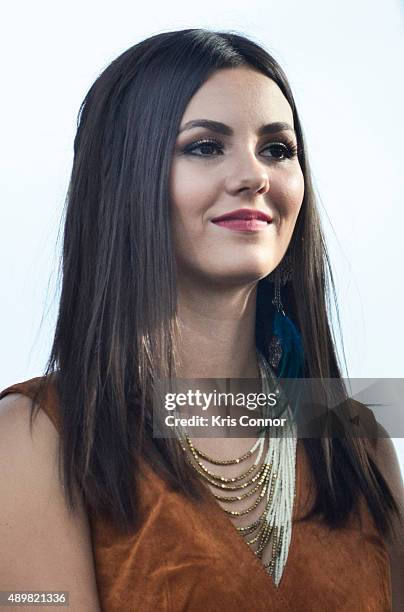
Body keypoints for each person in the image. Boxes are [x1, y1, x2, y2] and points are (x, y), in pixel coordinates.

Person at [0, 28, 403, 611]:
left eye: (278, 149)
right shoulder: (38, 438)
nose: (254, 175)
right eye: (205, 146)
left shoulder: (356, 442)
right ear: (123, 180)